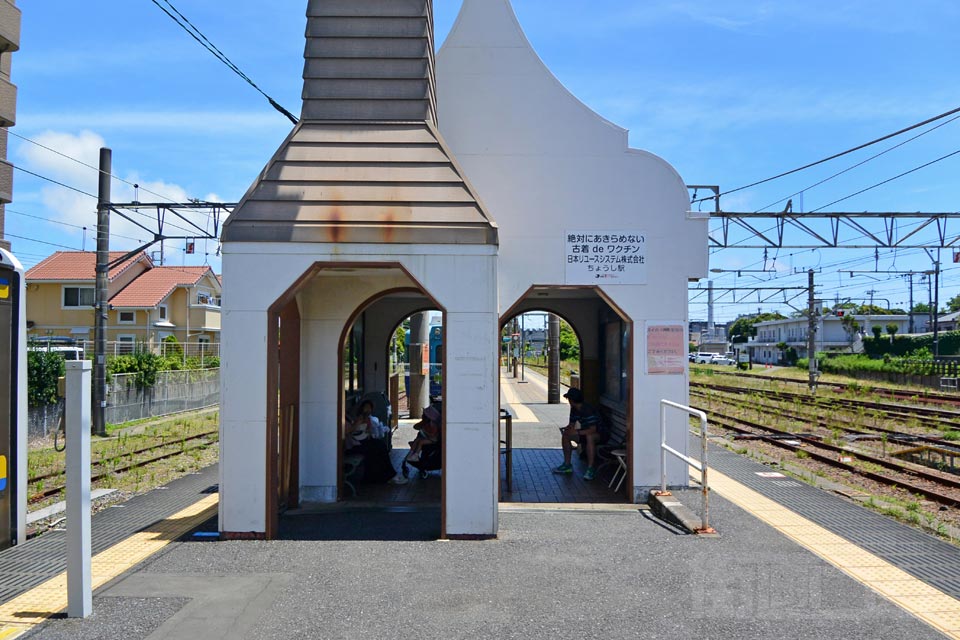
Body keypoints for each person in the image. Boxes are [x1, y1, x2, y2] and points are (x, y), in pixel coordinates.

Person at [345, 400, 406, 485]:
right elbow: (348, 431)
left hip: (358, 442)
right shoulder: (342, 419)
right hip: (351, 446)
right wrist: (357, 423)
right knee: (376, 448)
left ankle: (385, 475)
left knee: (380, 445)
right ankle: (388, 476)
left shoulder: (350, 417)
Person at [552, 387, 603, 480]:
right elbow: (571, 424)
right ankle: (567, 464)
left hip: (600, 434)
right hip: (584, 432)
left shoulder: (588, 410)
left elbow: (593, 429)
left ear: (572, 400)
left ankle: (590, 468)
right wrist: (567, 429)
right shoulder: (574, 409)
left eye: (568, 399)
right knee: (566, 435)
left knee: (589, 437)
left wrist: (577, 432)